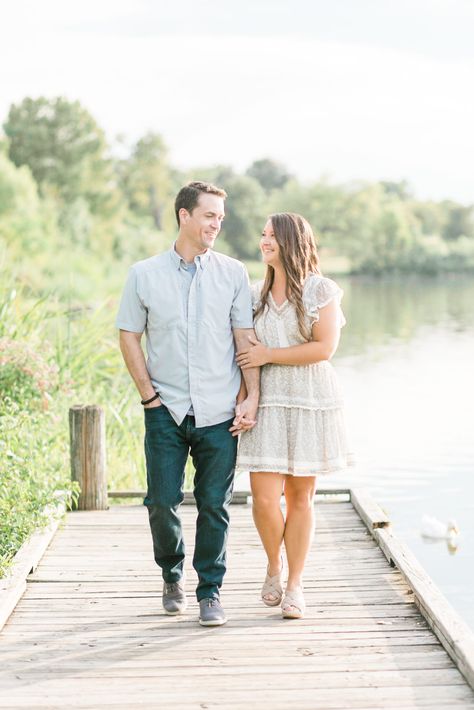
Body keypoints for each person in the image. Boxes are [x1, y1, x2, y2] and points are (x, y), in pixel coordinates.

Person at [115, 181, 259, 627]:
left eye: (220, 217)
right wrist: (149, 397)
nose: (217, 224)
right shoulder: (144, 274)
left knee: (215, 504)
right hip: (166, 411)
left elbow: (244, 340)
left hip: (219, 413)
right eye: (210, 215)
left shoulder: (234, 273)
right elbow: (128, 334)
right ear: (185, 215)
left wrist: (251, 395)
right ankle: (171, 573)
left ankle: (210, 591)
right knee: (161, 501)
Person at [235, 212, 353, 619]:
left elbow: (324, 349)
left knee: (300, 497)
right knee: (264, 499)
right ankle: (273, 566)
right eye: (262, 234)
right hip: (267, 400)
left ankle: (296, 584)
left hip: (310, 398)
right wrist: (246, 397)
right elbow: (245, 355)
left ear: (290, 240)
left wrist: (270, 354)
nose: (263, 240)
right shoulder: (253, 294)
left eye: (270, 235)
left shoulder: (321, 290)